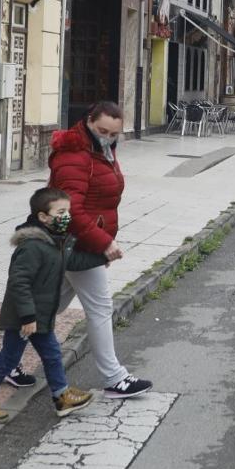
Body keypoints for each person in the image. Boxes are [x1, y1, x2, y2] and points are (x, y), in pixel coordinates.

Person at [48, 101, 153, 399]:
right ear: (88, 121)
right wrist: (103, 242)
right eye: (102, 130)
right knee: (99, 309)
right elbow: (68, 210)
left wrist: (102, 239)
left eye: (114, 133)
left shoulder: (101, 150)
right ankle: (114, 377)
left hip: (81, 244)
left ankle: (7, 365)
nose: (107, 136)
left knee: (47, 308)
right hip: (74, 244)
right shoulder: (74, 155)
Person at [0, 187, 99, 423]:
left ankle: (62, 396)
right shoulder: (32, 246)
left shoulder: (55, 242)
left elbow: (73, 261)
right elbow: (19, 282)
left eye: (67, 211)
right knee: (8, 359)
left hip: (40, 316)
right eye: (61, 211)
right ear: (43, 217)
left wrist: (105, 256)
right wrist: (27, 317)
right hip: (25, 318)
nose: (66, 216)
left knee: (52, 355)